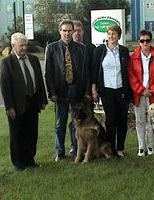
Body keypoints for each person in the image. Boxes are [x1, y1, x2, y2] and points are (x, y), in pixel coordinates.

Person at [0, 33, 48, 171]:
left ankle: (30, 159)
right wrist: (9, 107)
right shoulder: (7, 62)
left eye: (25, 45)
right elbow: (5, 87)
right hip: (17, 104)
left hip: (32, 101)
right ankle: (18, 162)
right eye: (21, 45)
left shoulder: (33, 60)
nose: (24, 48)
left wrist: (43, 100)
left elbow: (39, 81)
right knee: (17, 134)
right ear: (13, 46)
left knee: (32, 132)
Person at [45, 20, 91, 161]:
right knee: (60, 122)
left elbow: (86, 71)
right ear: (59, 31)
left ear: (73, 31)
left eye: (69, 30)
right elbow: (49, 73)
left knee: (76, 121)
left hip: (77, 90)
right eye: (64, 30)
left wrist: (87, 91)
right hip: (60, 91)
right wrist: (51, 92)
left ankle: (75, 147)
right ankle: (59, 151)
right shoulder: (51, 48)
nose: (67, 33)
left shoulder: (80, 48)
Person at [92, 25, 131, 157]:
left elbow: (128, 71)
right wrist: (94, 89)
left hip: (121, 90)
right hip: (106, 90)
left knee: (122, 119)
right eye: (109, 34)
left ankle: (120, 148)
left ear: (119, 36)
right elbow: (94, 70)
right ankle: (110, 148)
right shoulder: (100, 51)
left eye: (114, 34)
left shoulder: (124, 51)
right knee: (110, 120)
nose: (111, 36)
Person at [127, 29, 154, 156]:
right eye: (142, 40)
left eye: (147, 40)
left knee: (151, 121)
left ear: (151, 41)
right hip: (139, 94)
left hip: (153, 94)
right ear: (139, 41)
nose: (145, 43)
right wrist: (141, 90)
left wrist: (152, 89)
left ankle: (150, 146)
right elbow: (131, 76)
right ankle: (141, 147)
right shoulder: (133, 57)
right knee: (140, 121)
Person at [66, 20, 97, 156]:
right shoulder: (68, 48)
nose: (77, 33)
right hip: (71, 91)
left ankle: (90, 148)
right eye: (75, 31)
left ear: (83, 32)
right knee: (73, 120)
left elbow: (91, 71)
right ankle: (75, 146)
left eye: (79, 30)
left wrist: (91, 90)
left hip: (86, 91)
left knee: (88, 118)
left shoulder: (90, 48)